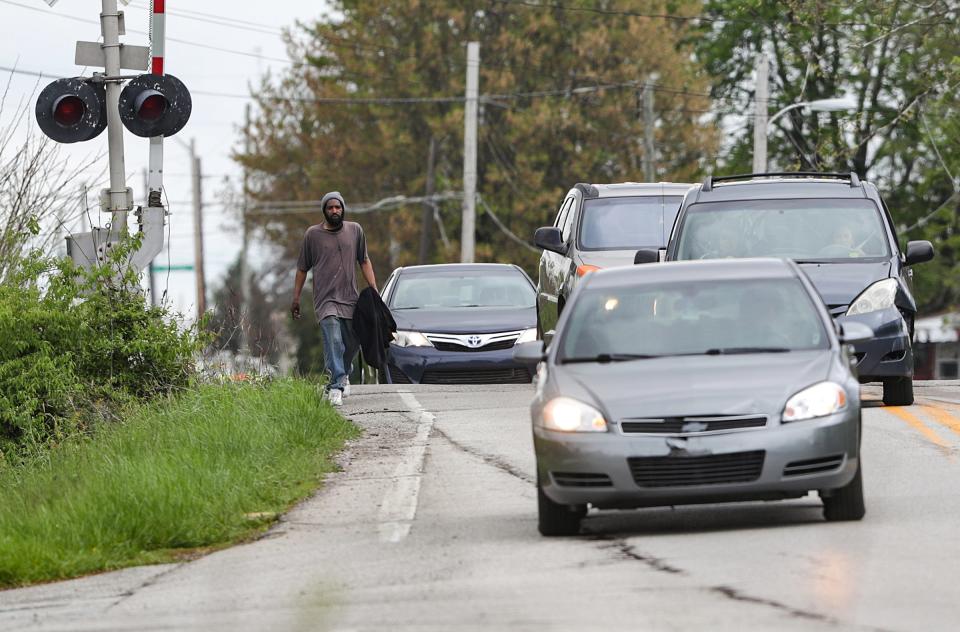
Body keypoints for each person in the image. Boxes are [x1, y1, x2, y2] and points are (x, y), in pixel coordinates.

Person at [291, 191, 378, 406]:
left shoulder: (355, 230)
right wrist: (296, 298)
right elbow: (302, 269)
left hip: (350, 297)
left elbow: (364, 260)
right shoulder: (312, 235)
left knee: (351, 342)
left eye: (338, 207)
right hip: (325, 299)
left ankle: (344, 372)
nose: (334, 211)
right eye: (330, 208)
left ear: (343, 208)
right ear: (324, 210)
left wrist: (374, 289)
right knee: (334, 340)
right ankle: (336, 385)